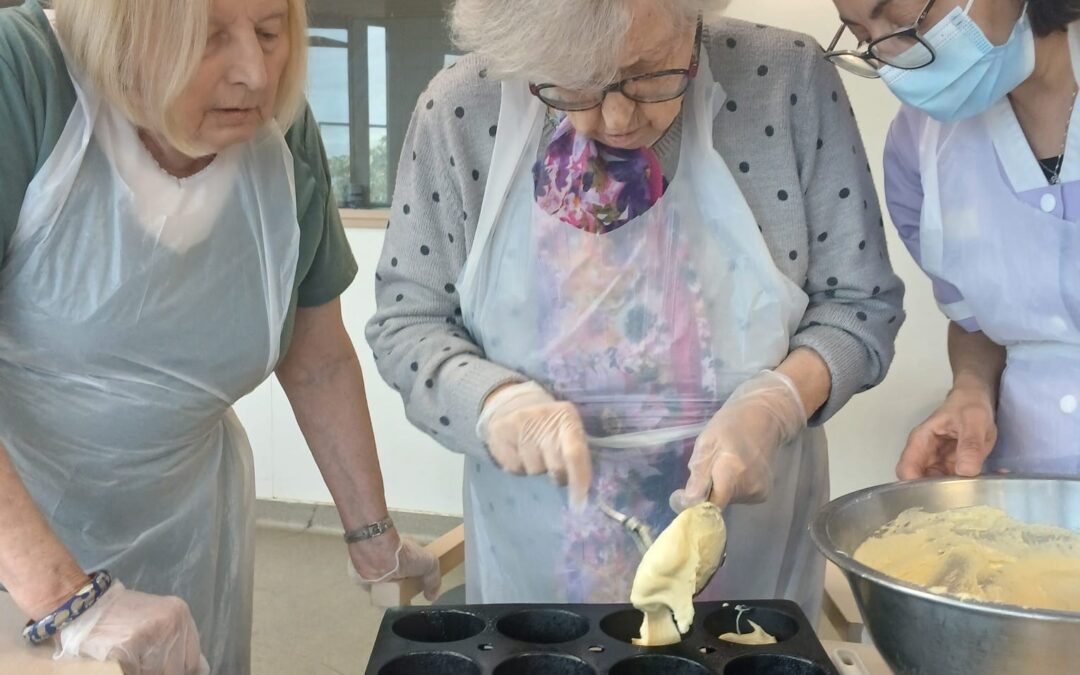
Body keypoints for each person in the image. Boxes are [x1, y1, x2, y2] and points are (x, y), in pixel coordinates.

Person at [368, 0, 904, 620]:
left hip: (751, 561)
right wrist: (495, 404)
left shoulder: (785, 83)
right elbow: (407, 321)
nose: (618, 118)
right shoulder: (462, 111)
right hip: (537, 568)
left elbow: (860, 308)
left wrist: (777, 403)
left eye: (650, 73)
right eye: (573, 84)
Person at [0, 1, 440, 673]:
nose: (255, 75)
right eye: (207, 40)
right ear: (120, 33)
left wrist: (372, 533)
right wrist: (66, 598)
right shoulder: (22, 76)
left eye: (271, 34)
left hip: (189, 526)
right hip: (18, 553)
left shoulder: (279, 134)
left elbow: (316, 358)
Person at [827, 0, 1080, 478]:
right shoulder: (918, 149)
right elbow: (977, 323)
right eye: (863, 36)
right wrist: (969, 390)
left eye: (902, 17)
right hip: (1027, 497)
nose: (896, 57)